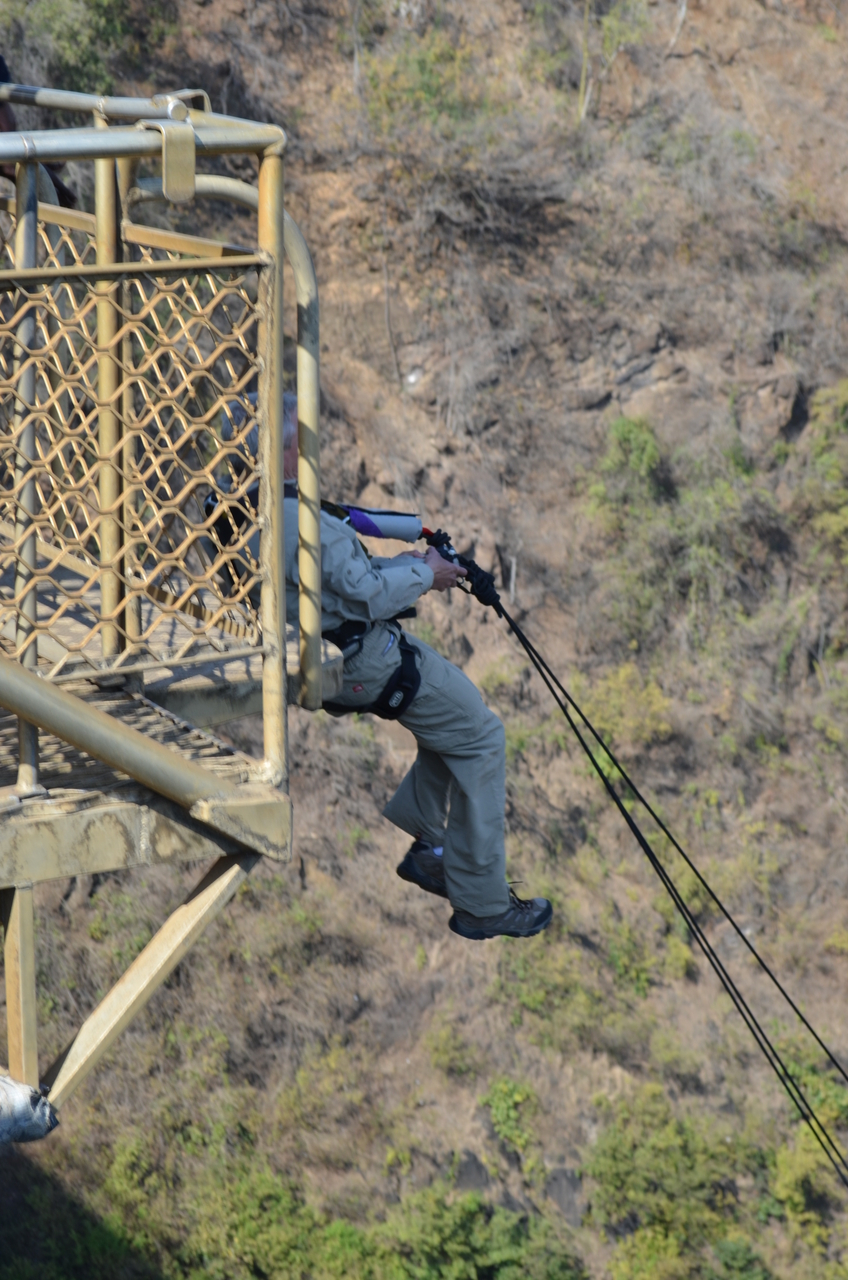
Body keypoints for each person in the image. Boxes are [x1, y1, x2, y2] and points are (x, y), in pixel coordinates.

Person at [282, 394, 552, 940]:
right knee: (480, 735)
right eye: (299, 442)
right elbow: (367, 596)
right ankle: (482, 902)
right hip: (363, 661)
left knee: (452, 721)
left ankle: (430, 846)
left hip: (311, 648)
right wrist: (427, 574)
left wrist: (407, 566)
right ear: (285, 451)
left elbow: (330, 584)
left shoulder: (236, 505)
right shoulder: (302, 519)